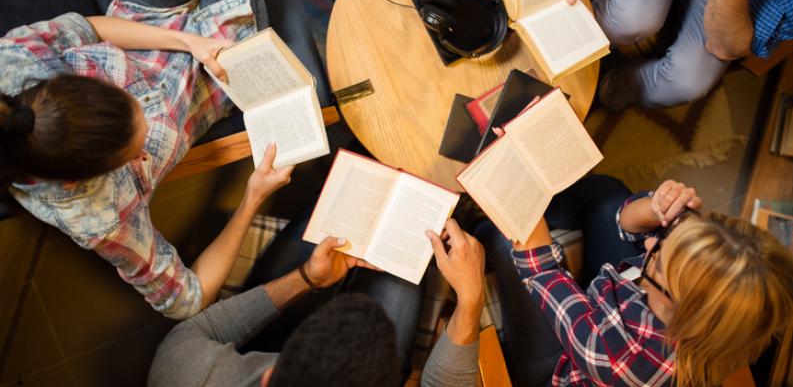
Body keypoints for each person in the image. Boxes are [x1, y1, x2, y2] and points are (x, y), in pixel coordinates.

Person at [0, 0, 332, 319]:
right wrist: (251, 198)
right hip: (216, 76)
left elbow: (88, 27)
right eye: (138, 149)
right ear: (89, 177)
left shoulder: (13, 62)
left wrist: (188, 41)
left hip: (147, 21)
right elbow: (186, 300)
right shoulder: (100, 216)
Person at [468, 174, 793, 386]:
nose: (651, 245)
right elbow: (630, 224)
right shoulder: (691, 296)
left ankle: (473, 228)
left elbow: (541, 270)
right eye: (670, 237)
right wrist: (656, 209)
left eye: (659, 261)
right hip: (606, 307)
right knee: (607, 192)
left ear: (674, 303)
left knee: (503, 240)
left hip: (560, 365)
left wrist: (519, 203)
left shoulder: (624, 356)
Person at [147, 216, 487, 387]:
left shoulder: (185, 377)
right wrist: (470, 300)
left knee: (334, 222)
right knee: (410, 234)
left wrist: (308, 277)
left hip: (253, 352)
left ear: (268, 377)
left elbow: (205, 326)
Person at [567, 0, 793, 109]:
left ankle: (608, 90)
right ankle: (565, 42)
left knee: (688, 80)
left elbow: (724, 47)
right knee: (631, 17)